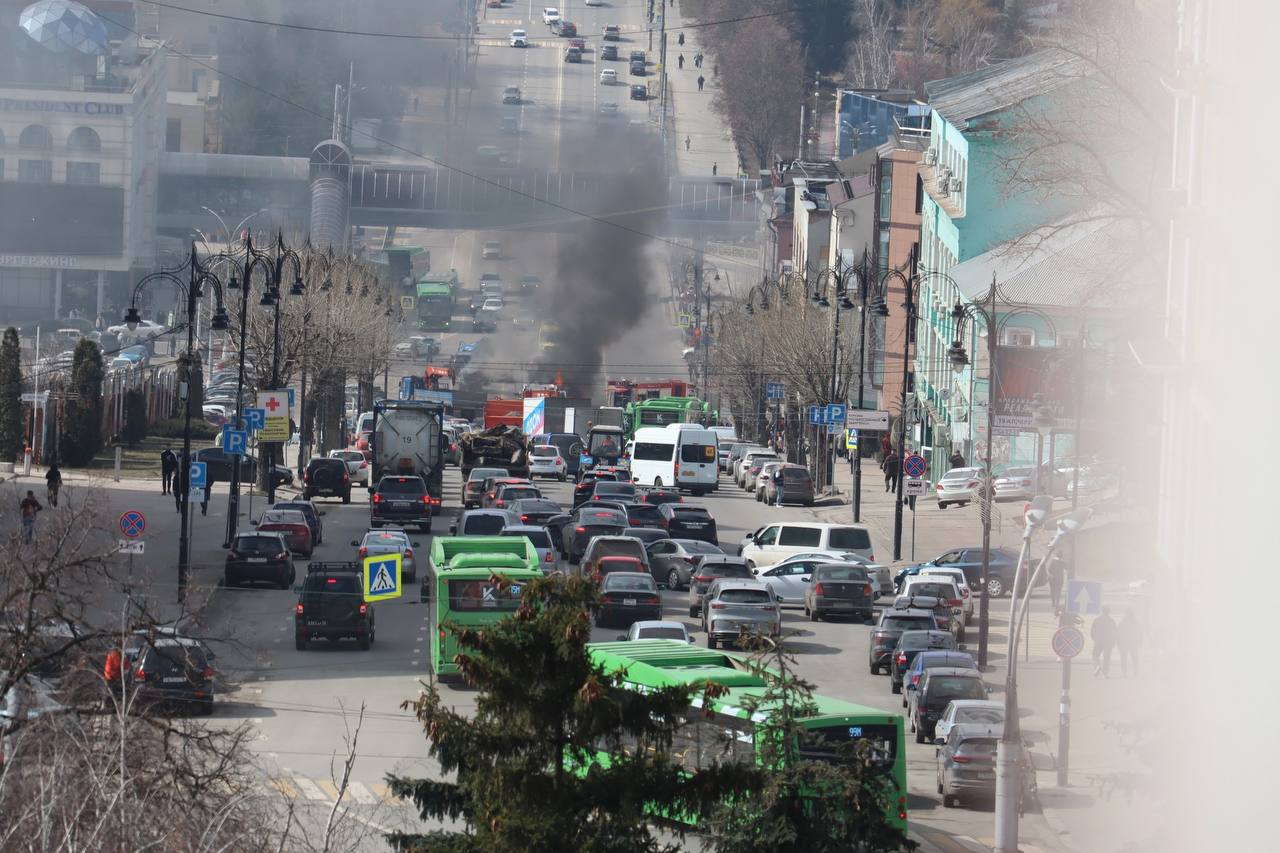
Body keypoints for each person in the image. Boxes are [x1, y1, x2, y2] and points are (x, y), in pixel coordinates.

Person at [1090, 606, 1117, 677]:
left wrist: (1094, 638)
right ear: (1109, 612)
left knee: (1095, 655)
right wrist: (1113, 642)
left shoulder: (1097, 620)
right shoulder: (1111, 621)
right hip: (1108, 642)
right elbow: (1115, 633)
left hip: (1098, 641)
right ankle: (1105, 672)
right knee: (1107, 657)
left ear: (1102, 611)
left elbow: (1092, 631)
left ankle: (1097, 666)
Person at [1116, 609, 1142, 677]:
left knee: (1124, 658)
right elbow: (1139, 633)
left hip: (1125, 643)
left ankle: (1124, 672)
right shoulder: (1135, 622)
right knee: (1134, 658)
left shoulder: (1122, 622)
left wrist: (1119, 643)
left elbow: (1118, 633)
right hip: (1133, 643)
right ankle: (1135, 671)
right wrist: (1139, 642)